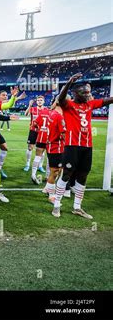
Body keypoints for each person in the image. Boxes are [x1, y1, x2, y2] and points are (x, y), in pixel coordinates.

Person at [53, 73, 113, 219]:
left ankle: (77, 207)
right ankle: (56, 205)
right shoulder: (68, 105)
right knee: (66, 175)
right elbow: (60, 98)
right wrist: (69, 82)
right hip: (72, 146)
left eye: (88, 92)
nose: (87, 95)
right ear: (75, 93)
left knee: (83, 176)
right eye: (84, 93)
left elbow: (108, 100)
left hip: (87, 147)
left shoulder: (90, 105)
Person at [42, 98, 66, 217]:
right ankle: (51, 196)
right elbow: (63, 134)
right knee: (55, 172)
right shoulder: (59, 116)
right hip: (56, 147)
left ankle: (47, 188)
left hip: (51, 146)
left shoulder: (52, 113)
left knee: (56, 171)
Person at [30, 96, 51, 184]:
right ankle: (47, 176)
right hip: (51, 138)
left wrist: (40, 129)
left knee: (38, 156)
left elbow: (34, 124)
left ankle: (33, 174)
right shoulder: (53, 113)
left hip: (41, 137)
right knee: (50, 158)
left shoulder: (42, 113)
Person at [24, 96, 47, 173]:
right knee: (30, 147)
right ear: (36, 102)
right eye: (38, 100)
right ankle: (27, 164)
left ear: (44, 101)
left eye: (41, 100)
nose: (39, 101)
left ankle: (40, 165)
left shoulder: (47, 110)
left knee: (42, 150)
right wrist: (29, 105)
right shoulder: (33, 109)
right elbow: (26, 114)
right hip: (33, 131)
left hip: (43, 132)